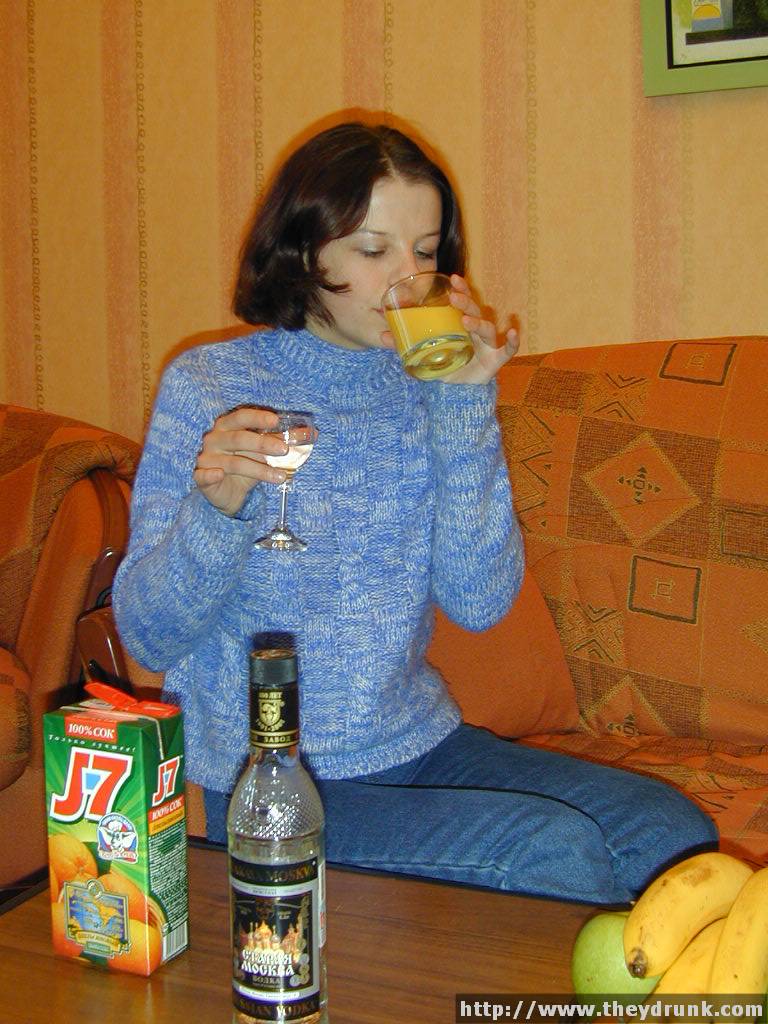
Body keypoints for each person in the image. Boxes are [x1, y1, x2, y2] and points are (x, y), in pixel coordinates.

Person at [112, 118, 717, 904]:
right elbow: (149, 634)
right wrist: (215, 513)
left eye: (426, 252)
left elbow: (480, 601)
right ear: (305, 251)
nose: (407, 278)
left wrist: (463, 403)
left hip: (419, 745)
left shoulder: (427, 385)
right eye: (374, 251)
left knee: (670, 831)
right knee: (552, 850)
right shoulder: (209, 386)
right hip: (268, 781)